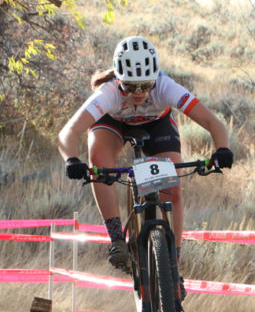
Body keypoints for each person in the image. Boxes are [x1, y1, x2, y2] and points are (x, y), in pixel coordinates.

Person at [57, 35, 233, 271]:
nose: (139, 93)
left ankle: (173, 266)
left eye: (146, 85)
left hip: (155, 124)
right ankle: (117, 239)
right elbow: (68, 132)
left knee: (171, 191)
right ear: (119, 80)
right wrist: (71, 160)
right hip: (114, 123)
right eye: (130, 87)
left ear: (155, 79)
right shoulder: (108, 94)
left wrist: (222, 149)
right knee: (99, 161)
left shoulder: (166, 87)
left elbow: (212, 121)